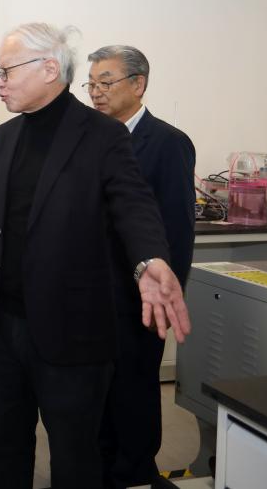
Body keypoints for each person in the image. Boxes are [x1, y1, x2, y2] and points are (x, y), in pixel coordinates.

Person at [0, 23, 191, 489]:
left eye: (6, 71)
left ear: (49, 69)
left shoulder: (102, 135)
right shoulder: (3, 138)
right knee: (2, 443)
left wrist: (150, 259)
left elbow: (134, 204)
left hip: (72, 329)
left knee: (74, 453)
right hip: (5, 324)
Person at [85, 45, 197, 489]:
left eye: (106, 82)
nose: (96, 92)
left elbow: (176, 233)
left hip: (140, 301)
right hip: (93, 297)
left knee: (134, 395)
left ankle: (134, 476)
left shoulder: (168, 143)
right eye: (91, 84)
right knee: (96, 398)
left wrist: (163, 298)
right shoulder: (90, 139)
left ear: (138, 84)